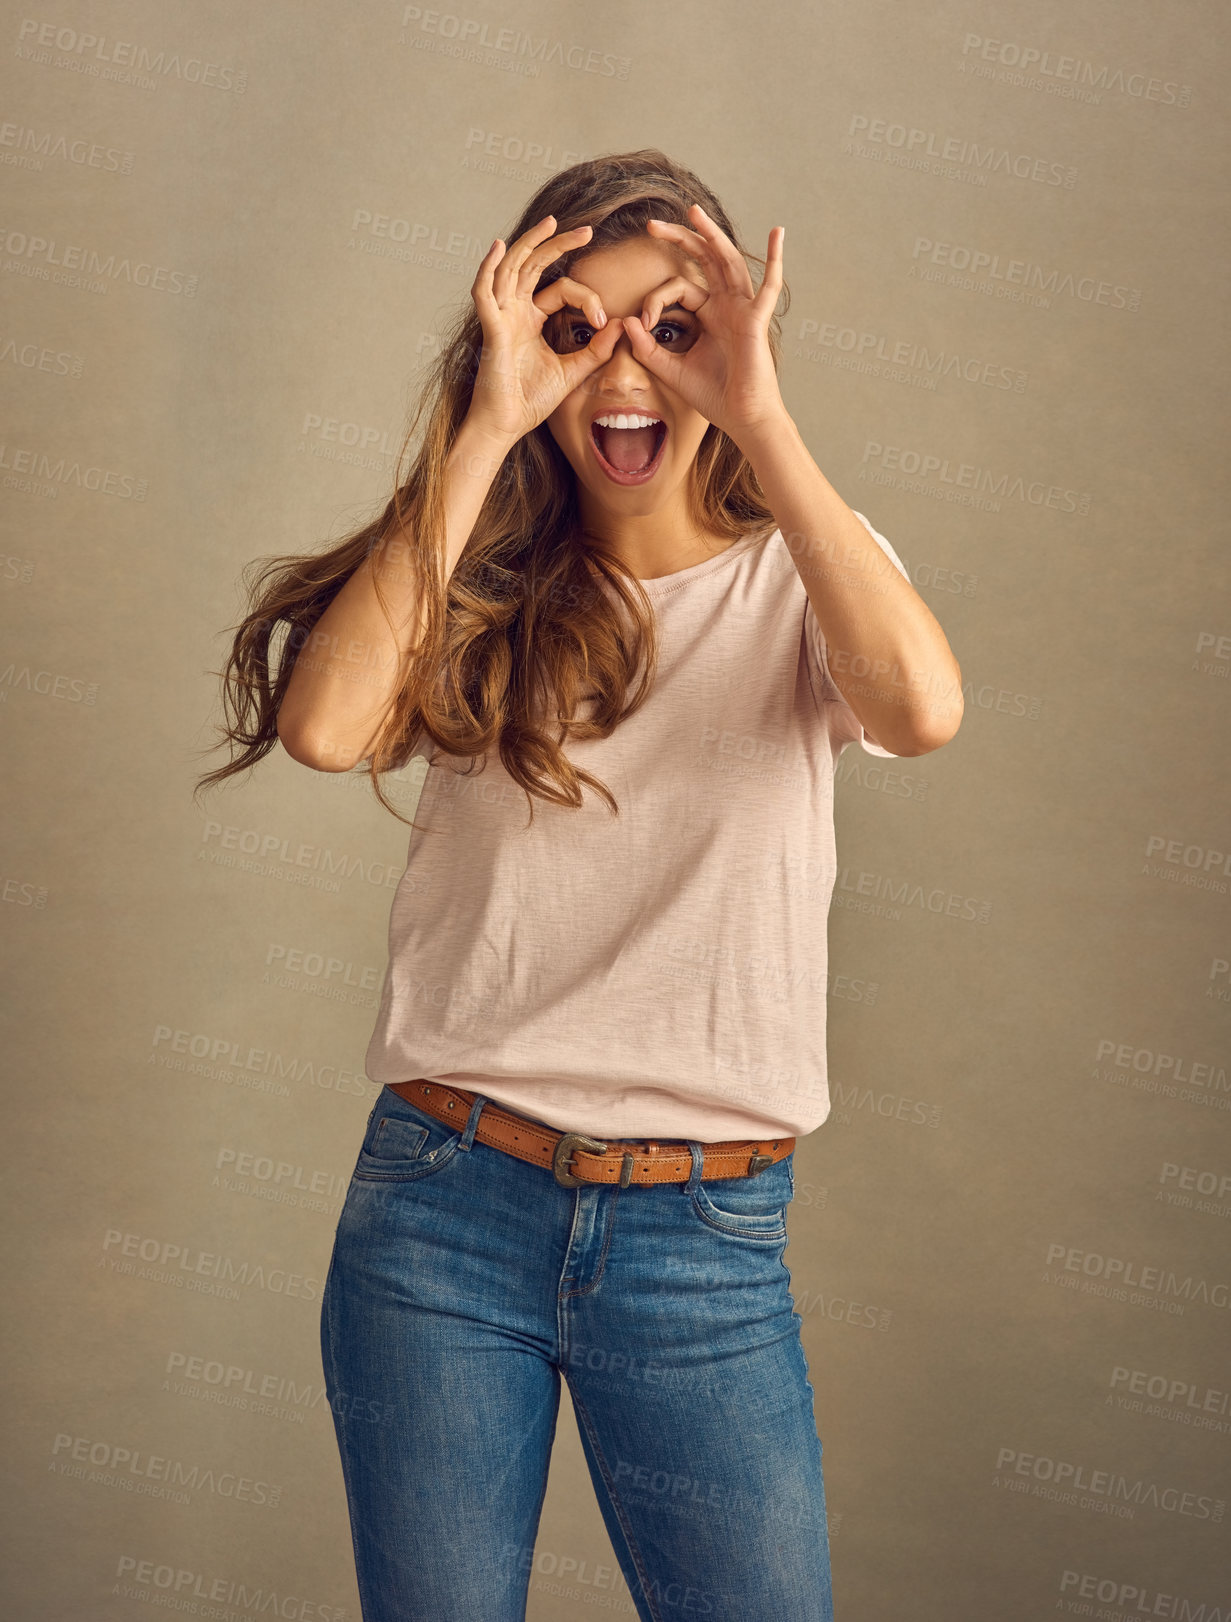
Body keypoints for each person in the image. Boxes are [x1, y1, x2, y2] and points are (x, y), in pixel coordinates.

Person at [199, 148, 963, 1622]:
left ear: (734, 344)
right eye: (575, 325)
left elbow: (922, 707)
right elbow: (323, 728)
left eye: (671, 327)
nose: (624, 370)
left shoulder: (804, 578)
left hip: (705, 1247)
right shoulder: (470, 575)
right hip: (441, 1212)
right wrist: (487, 428)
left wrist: (764, 417)